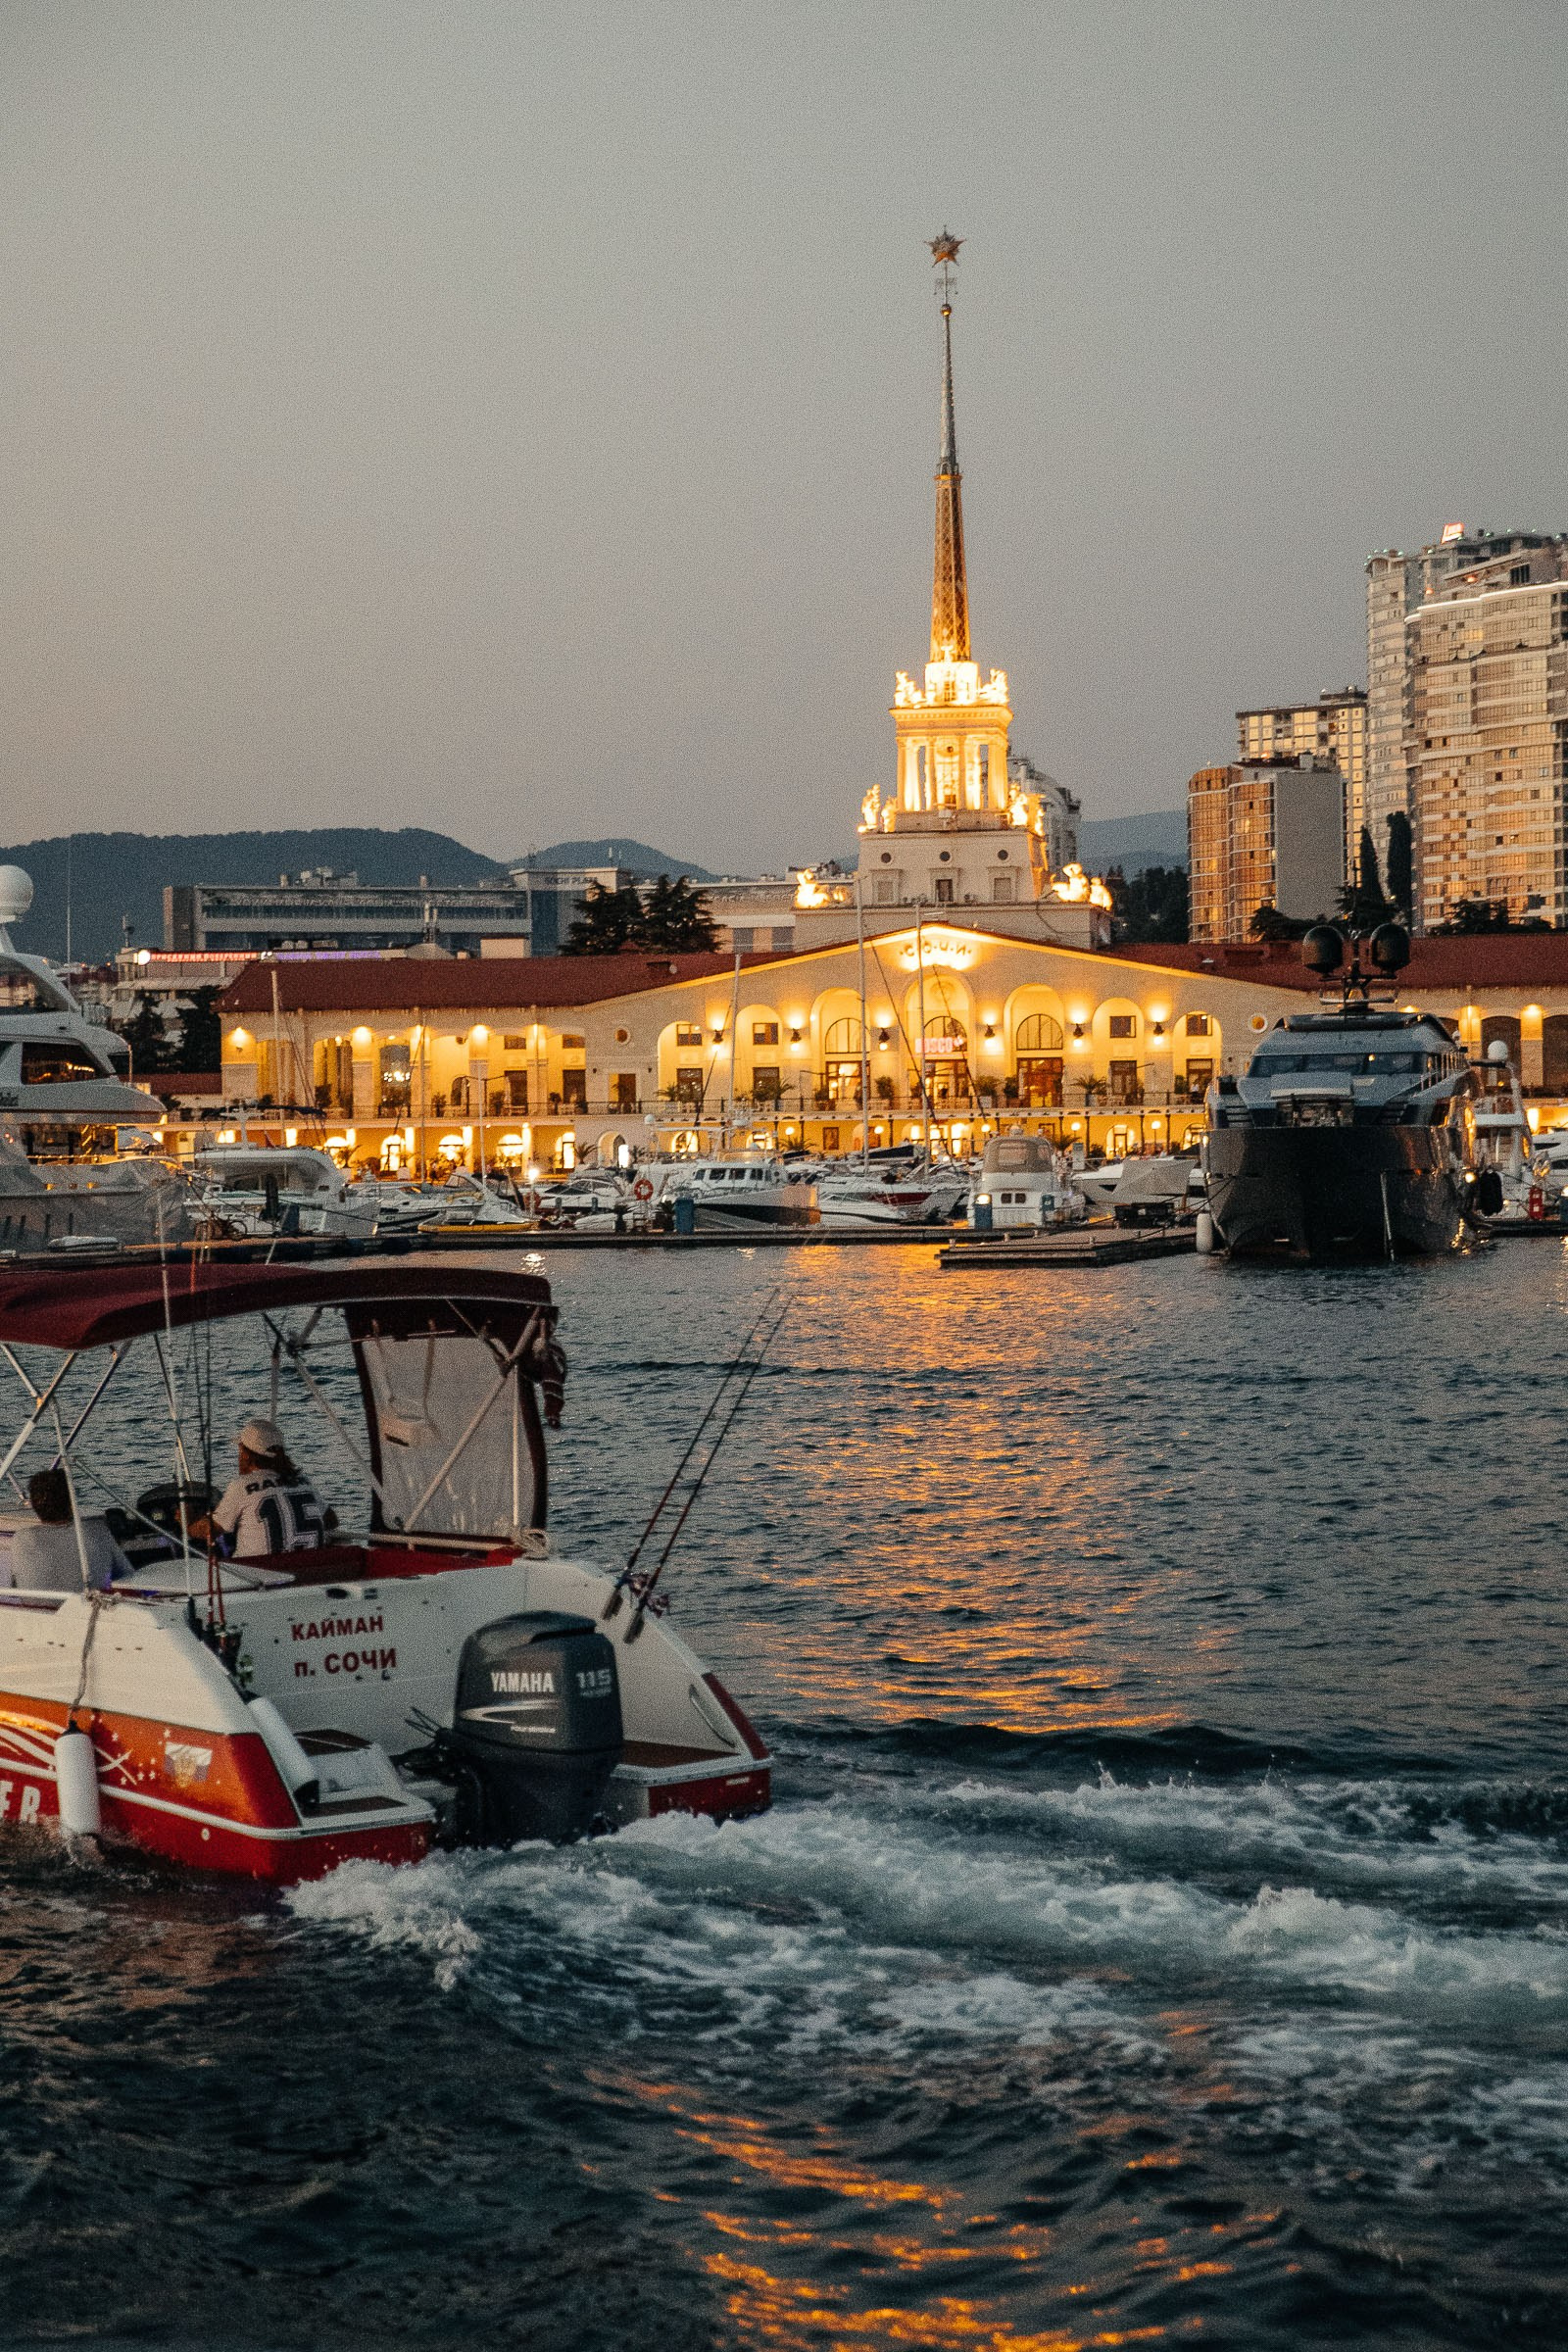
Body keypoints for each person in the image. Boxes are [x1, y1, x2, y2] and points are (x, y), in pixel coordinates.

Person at [192, 1418, 332, 1561]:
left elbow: (209, 1531)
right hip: (307, 1568)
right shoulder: (303, 1481)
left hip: (256, 1574)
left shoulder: (241, 1485)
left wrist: (187, 1521)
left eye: (240, 1450)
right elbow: (331, 1520)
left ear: (245, 1454)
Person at [8, 1465, 131, 1593]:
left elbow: (16, 1585)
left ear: (34, 1505)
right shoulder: (97, 1531)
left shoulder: (21, 1539)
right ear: (72, 1502)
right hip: (88, 1610)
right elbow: (128, 1576)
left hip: (36, 1611)